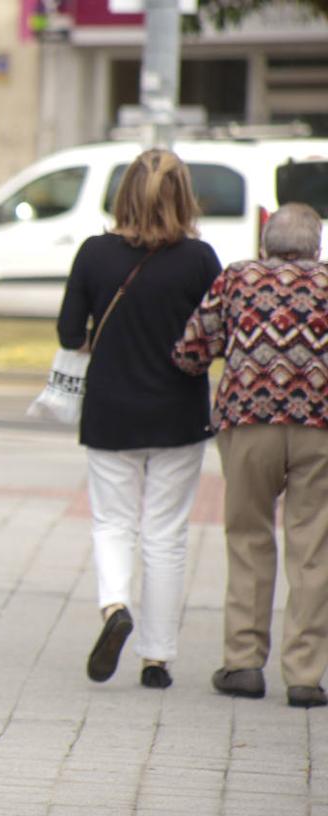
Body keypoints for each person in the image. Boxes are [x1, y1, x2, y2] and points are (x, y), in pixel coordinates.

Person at [57, 149, 221, 690]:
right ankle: (157, 658)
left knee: (112, 522)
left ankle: (113, 607)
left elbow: (67, 333)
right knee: (166, 534)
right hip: (178, 412)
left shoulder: (94, 254)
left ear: (123, 194)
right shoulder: (200, 260)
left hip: (110, 410)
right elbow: (217, 334)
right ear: (185, 197)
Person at [173, 202, 328, 708]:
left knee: (247, 539)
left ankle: (242, 664)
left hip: (249, 424)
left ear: (265, 242)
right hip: (320, 430)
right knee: (313, 551)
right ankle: (304, 675)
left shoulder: (239, 278)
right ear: (317, 247)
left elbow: (194, 349)